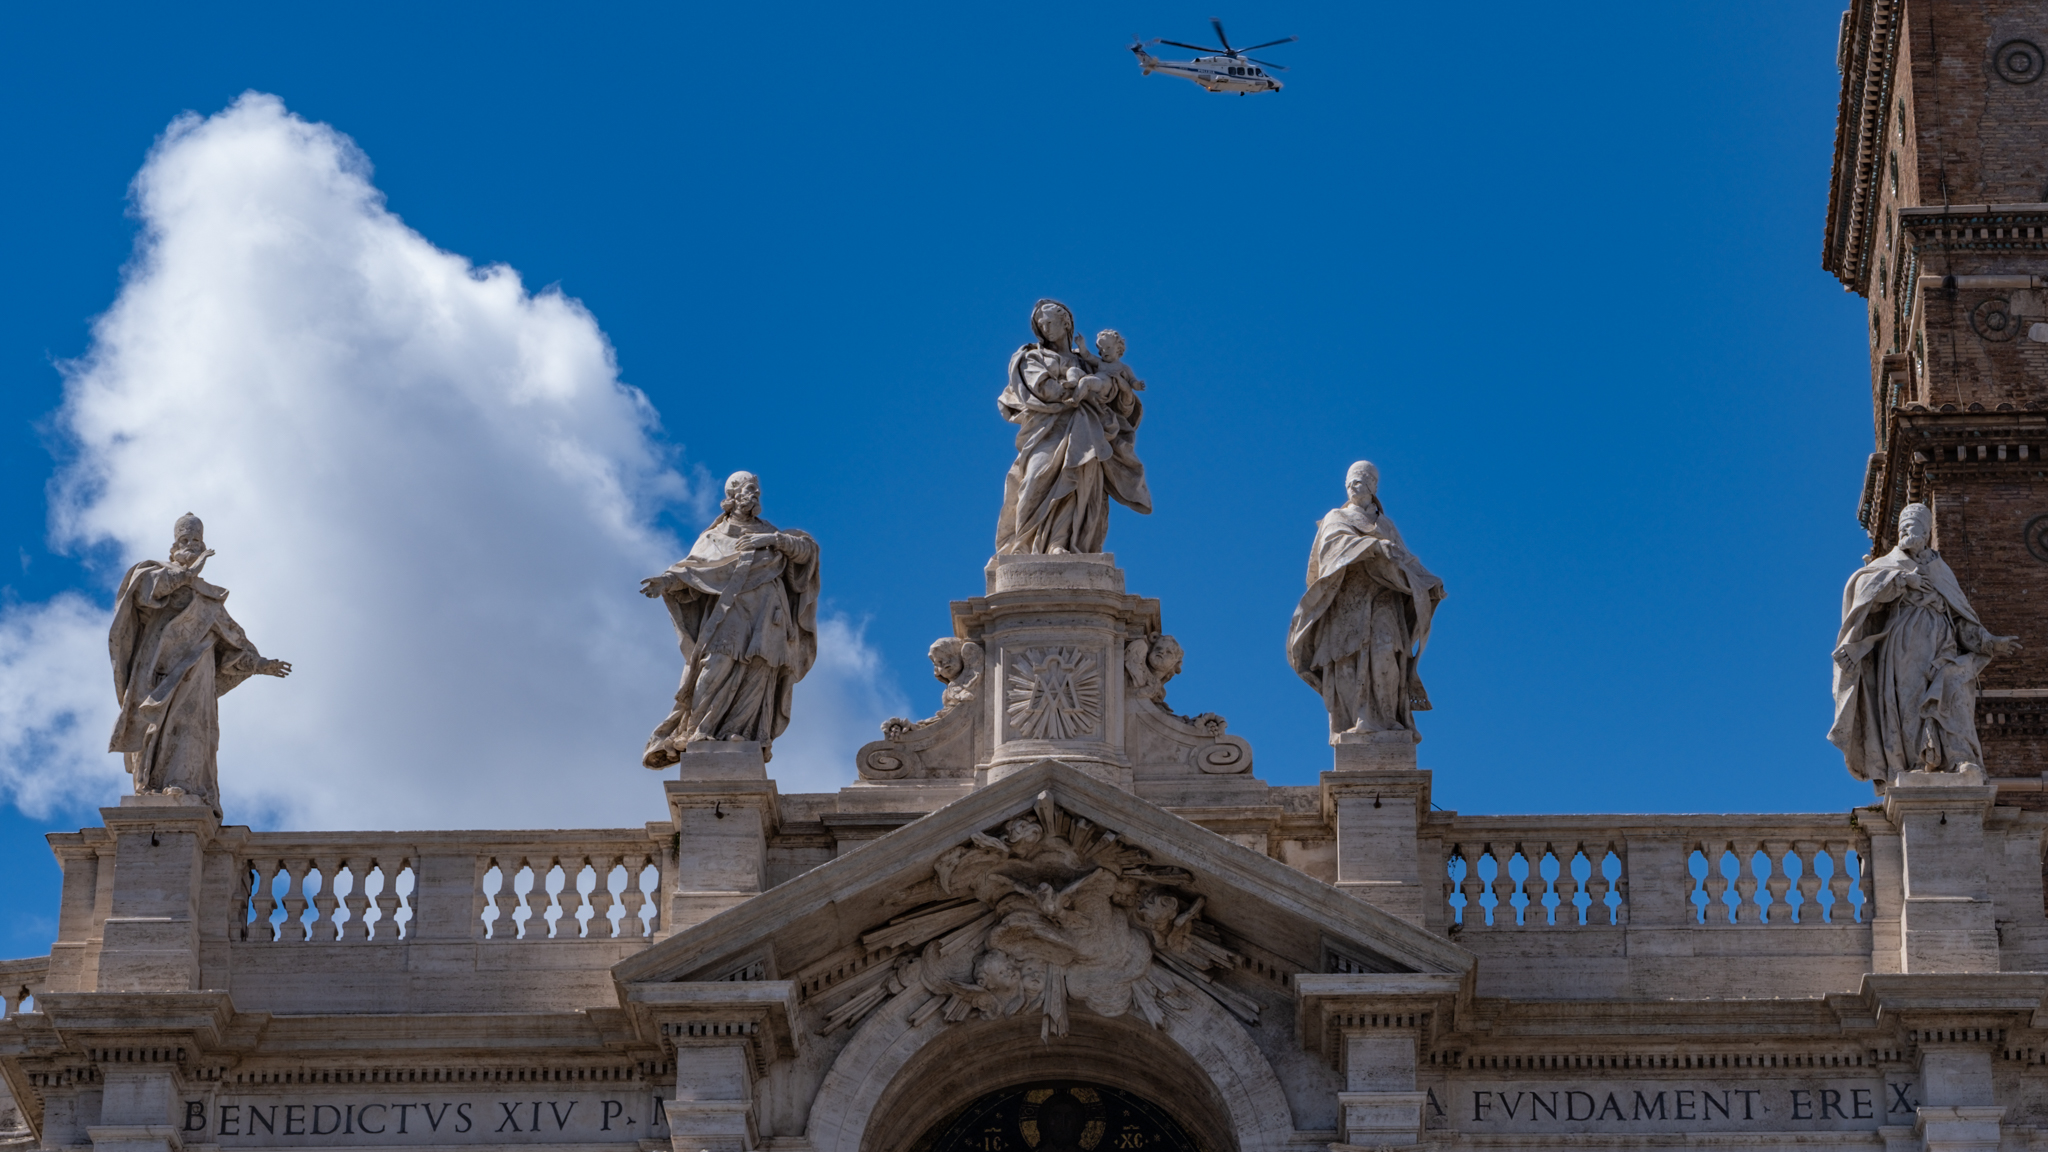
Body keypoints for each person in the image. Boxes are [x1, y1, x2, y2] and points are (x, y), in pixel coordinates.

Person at [106, 514, 290, 810]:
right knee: (155, 726)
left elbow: (232, 639)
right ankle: (152, 785)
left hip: (196, 670)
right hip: (156, 668)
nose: (191, 546)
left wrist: (259, 665)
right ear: (173, 547)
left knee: (192, 725)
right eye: (185, 541)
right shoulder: (152, 573)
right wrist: (187, 574)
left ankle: (184, 783)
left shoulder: (208, 597)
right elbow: (146, 595)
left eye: (196, 541)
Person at [1829, 502, 2019, 782]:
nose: (1909, 529)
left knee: (1953, 691)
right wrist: (1903, 581)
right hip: (1903, 644)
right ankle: (1914, 764)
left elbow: (1962, 620)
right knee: (1909, 701)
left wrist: (1989, 642)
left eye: (1916, 524)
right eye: (1905, 525)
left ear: (1928, 531)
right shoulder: (1887, 565)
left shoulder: (1940, 569)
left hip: (1943, 642)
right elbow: (1861, 592)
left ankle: (1958, 759)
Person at [640, 472, 819, 766]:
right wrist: (666, 582)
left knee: (761, 668)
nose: (755, 496)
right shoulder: (714, 536)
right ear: (733, 495)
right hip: (731, 612)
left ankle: (741, 732)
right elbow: (694, 569)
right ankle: (698, 730)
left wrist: (773, 539)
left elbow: (806, 552)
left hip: (768, 613)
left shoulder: (771, 534)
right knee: (716, 664)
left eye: (758, 491)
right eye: (750, 490)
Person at [1287, 462, 1446, 740]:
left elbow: (1404, 558)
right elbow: (1331, 550)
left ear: (1373, 486)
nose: (1352, 486)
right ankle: (1356, 721)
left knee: (1386, 652)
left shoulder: (1384, 524)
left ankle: (1387, 719)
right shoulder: (1336, 517)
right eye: (1349, 482)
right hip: (1347, 597)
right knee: (1346, 661)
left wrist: (1427, 579)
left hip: (1384, 598)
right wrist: (1373, 546)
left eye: (1359, 481)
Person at [994, 300, 1152, 555]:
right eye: (1040, 324)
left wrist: (1119, 389)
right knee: (1036, 478)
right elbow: (1042, 389)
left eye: (1050, 322)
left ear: (1065, 322)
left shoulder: (1091, 363)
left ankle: (1060, 543)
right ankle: (1023, 546)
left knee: (1079, 486)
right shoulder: (1033, 356)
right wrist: (1077, 391)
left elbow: (1121, 406)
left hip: (1087, 432)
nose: (1045, 328)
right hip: (1047, 431)